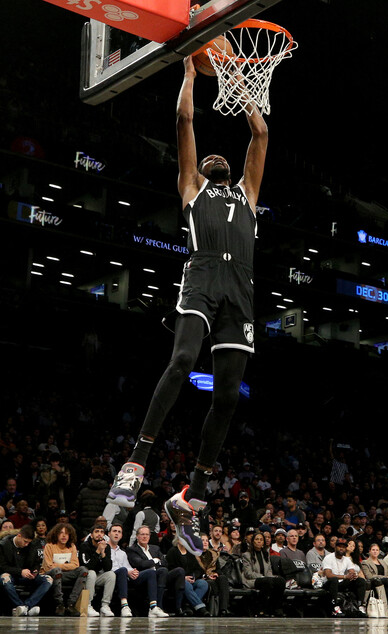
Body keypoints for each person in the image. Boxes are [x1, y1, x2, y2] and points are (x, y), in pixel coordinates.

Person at [107, 54, 269, 556]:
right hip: (201, 276)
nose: (216, 158)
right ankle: (137, 459)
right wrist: (188, 75)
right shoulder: (192, 188)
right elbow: (184, 120)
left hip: (240, 290)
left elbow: (259, 135)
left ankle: (193, 493)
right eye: (208, 158)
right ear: (198, 170)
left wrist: (241, 87)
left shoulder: (247, 191)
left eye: (221, 159)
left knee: (227, 397)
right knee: (180, 361)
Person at [107, 523, 169, 617]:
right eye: (114, 531)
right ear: (109, 534)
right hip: (113, 575)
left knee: (152, 572)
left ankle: (153, 607)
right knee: (123, 570)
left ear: (122, 535)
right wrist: (155, 560)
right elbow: (108, 566)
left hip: (128, 576)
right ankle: (125, 606)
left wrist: (132, 571)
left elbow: (128, 566)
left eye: (119, 532)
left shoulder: (122, 552)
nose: (116, 534)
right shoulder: (106, 549)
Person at [0, 524, 53, 616]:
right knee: (5, 578)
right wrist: (20, 572)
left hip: (27, 575)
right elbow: (0, 566)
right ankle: (21, 606)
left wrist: (35, 571)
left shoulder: (31, 545)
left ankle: (26, 606)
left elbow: (36, 562)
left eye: (28, 542)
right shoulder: (4, 545)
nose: (26, 544)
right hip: (11, 574)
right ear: (19, 536)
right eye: (25, 541)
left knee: (48, 579)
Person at [240, 532, 285, 616]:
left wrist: (270, 577)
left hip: (265, 579)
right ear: (253, 541)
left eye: (261, 540)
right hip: (251, 580)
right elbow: (248, 573)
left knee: (281, 581)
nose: (259, 541)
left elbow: (269, 570)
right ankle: (261, 609)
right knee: (267, 582)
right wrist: (262, 577)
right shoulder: (247, 555)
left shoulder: (265, 554)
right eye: (257, 539)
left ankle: (275, 608)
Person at [323, 538, 368, 617]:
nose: (341, 548)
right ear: (335, 547)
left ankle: (360, 606)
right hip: (329, 584)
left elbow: (351, 571)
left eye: (343, 547)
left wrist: (353, 575)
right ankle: (335, 608)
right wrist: (345, 576)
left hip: (341, 584)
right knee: (334, 580)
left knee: (360, 581)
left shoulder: (347, 560)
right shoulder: (328, 557)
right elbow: (328, 575)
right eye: (339, 546)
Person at [79, 524, 117, 617]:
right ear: (91, 535)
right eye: (96, 532)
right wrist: (98, 552)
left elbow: (108, 568)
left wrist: (103, 553)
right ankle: (88, 605)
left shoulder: (106, 547)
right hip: (85, 576)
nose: (99, 534)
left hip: (98, 576)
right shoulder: (85, 546)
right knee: (91, 573)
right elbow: (87, 566)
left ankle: (105, 606)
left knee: (111, 574)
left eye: (101, 532)